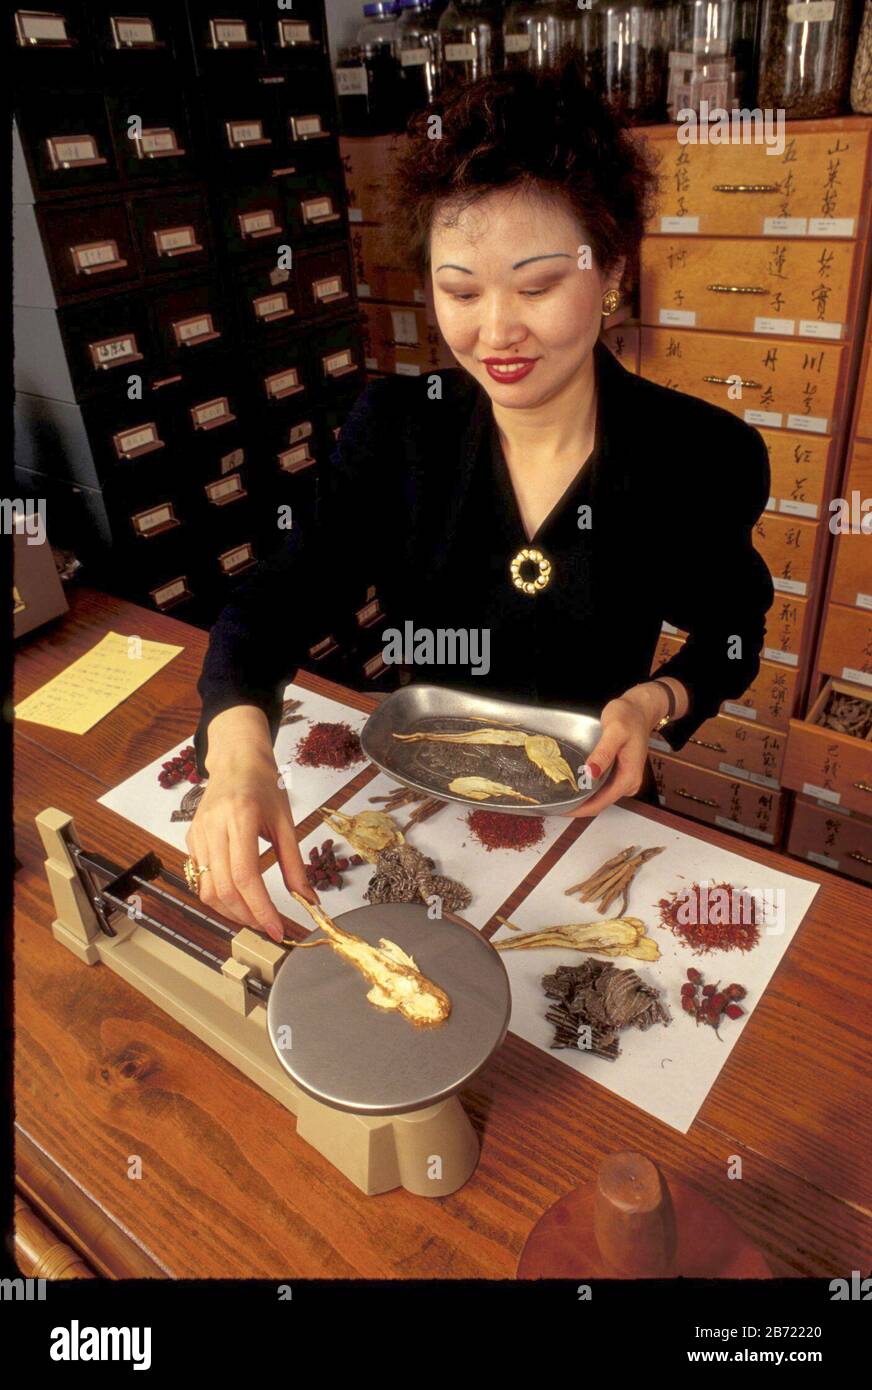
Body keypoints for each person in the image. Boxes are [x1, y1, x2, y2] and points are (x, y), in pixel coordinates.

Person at [186, 57, 774, 942]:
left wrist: (652, 704)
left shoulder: (696, 454)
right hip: (422, 808)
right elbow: (272, 599)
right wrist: (236, 756)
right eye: (460, 289)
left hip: (590, 812)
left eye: (537, 286)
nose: (495, 331)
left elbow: (732, 636)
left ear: (611, 273)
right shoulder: (399, 430)